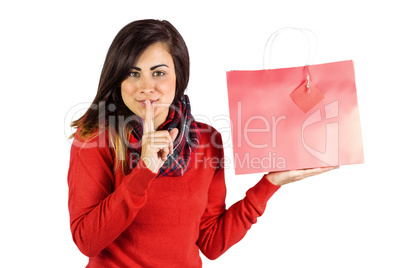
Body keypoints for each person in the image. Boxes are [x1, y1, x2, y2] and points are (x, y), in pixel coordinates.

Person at [67, 19, 336, 267]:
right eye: (133, 73)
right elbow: (86, 241)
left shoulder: (207, 140)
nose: (145, 87)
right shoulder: (95, 138)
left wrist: (270, 183)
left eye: (158, 73)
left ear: (179, 76)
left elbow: (211, 243)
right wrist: (144, 170)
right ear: (118, 79)